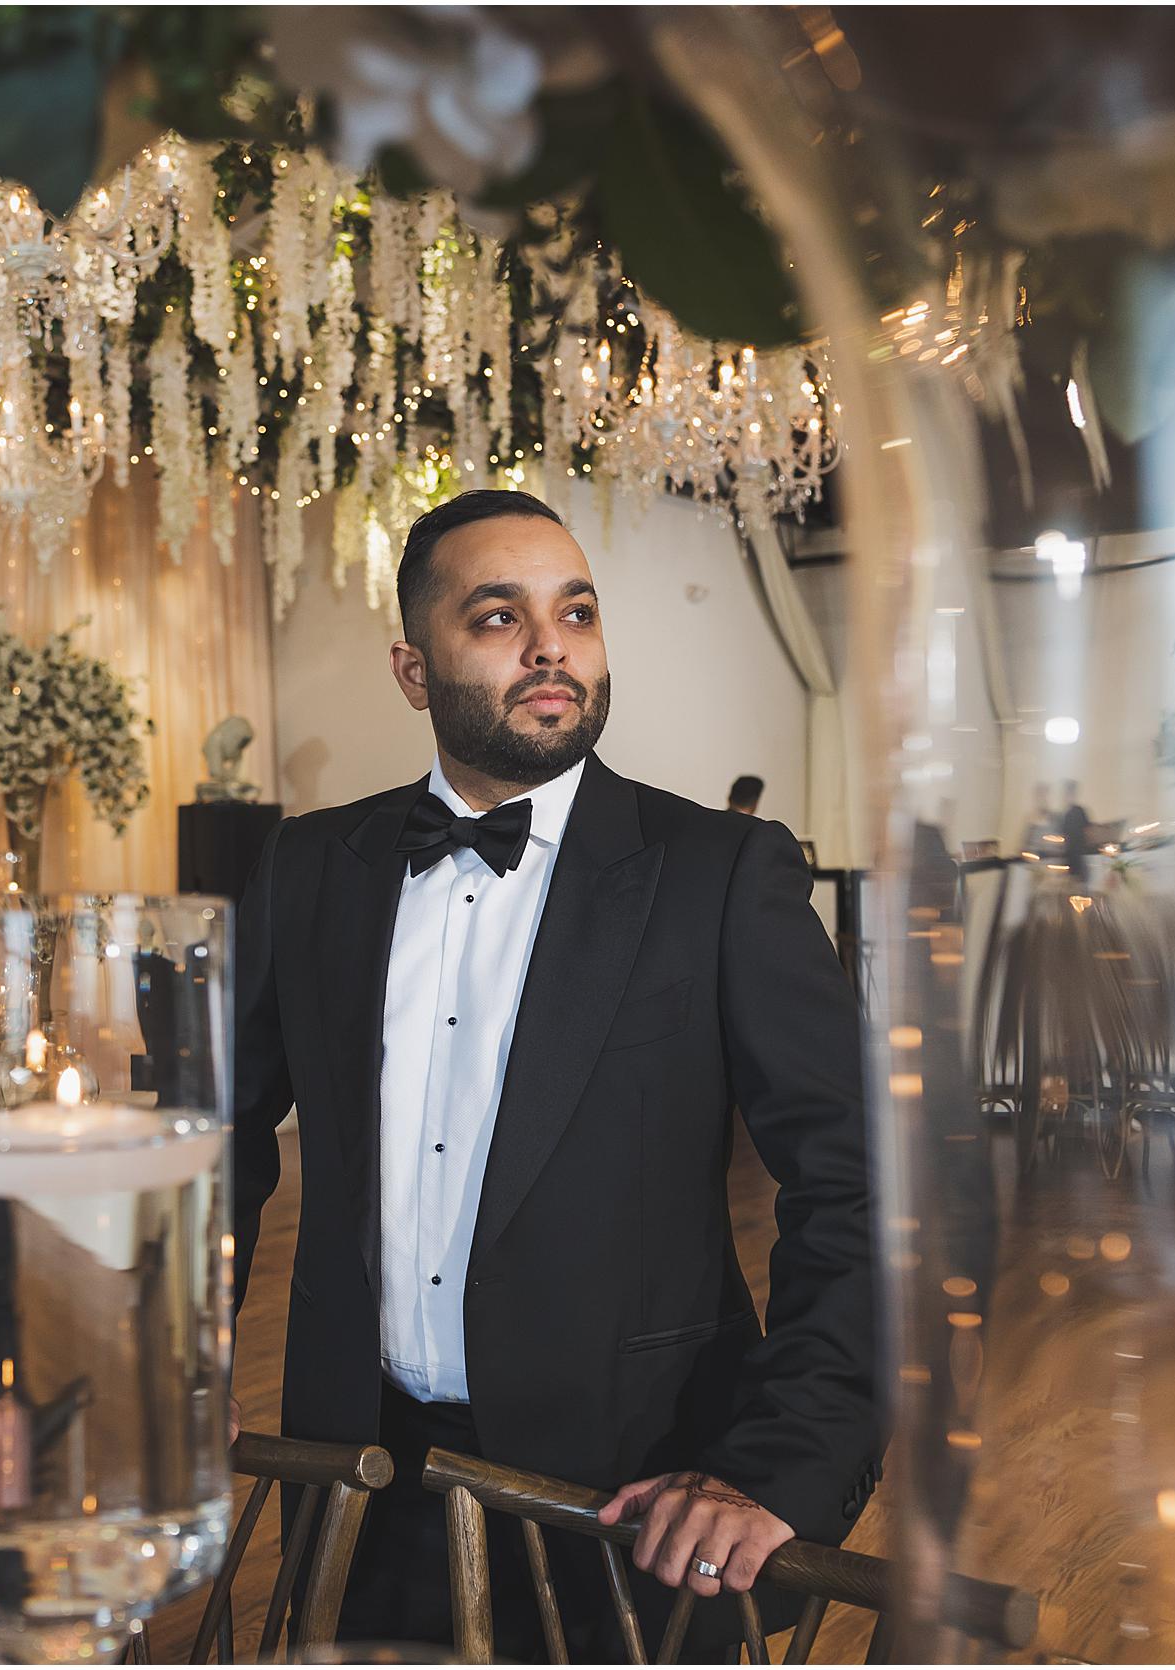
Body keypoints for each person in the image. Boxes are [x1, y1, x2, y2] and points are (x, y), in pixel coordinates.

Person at [229, 489, 879, 1660]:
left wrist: (780, 1462)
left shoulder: (721, 873)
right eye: (497, 616)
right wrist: (154, 1371)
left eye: (576, 612)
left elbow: (861, 1185)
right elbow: (213, 1143)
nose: (550, 646)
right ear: (413, 669)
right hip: (357, 1480)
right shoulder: (312, 863)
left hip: (635, 1494)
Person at [1055, 781, 1094, 882]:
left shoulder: (1079, 811)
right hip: (1070, 856)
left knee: (1078, 882)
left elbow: (1089, 831)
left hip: (1078, 855)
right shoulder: (1064, 815)